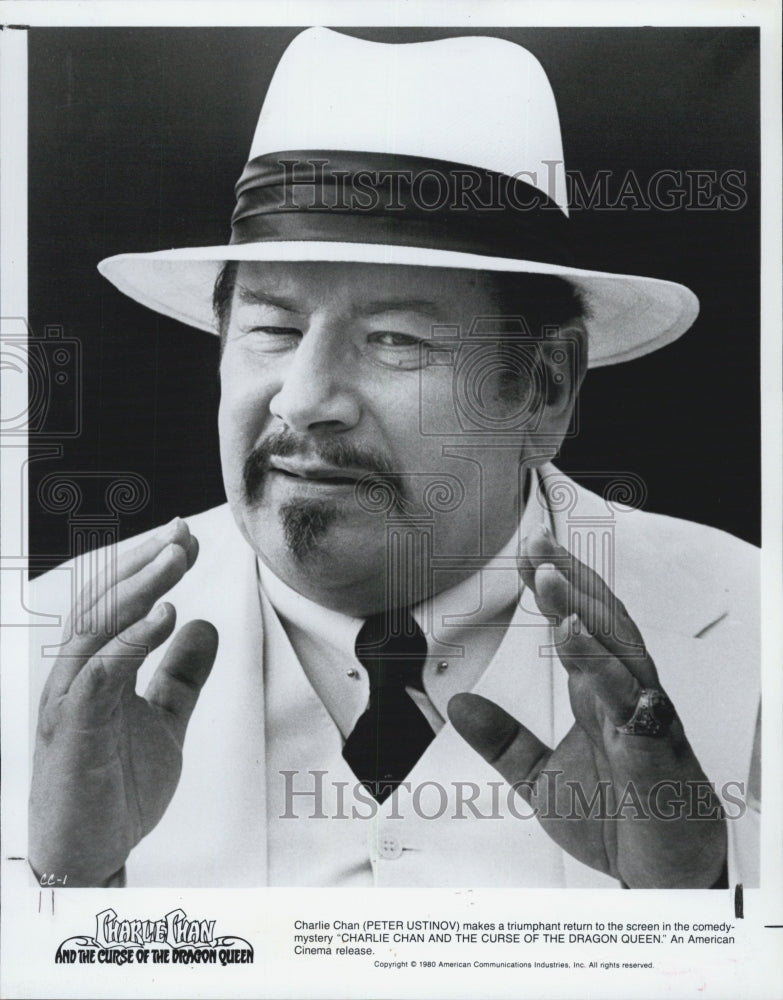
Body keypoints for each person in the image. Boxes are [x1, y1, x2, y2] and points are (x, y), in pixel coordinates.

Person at [28, 27, 759, 889]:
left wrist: (692, 909)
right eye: (273, 328)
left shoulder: (749, 627)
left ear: (545, 387)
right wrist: (71, 895)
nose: (302, 399)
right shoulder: (34, 653)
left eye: (394, 340)